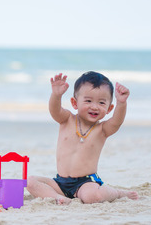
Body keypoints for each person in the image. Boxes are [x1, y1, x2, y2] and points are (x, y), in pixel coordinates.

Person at [27, 71, 138, 204]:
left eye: (102, 103)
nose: (94, 106)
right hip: (60, 182)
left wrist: (121, 103)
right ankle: (59, 198)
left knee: (92, 197)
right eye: (88, 100)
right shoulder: (66, 119)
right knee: (29, 181)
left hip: (85, 183)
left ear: (109, 108)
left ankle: (118, 193)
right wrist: (56, 95)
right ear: (75, 103)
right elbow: (54, 110)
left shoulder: (102, 130)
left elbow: (117, 121)